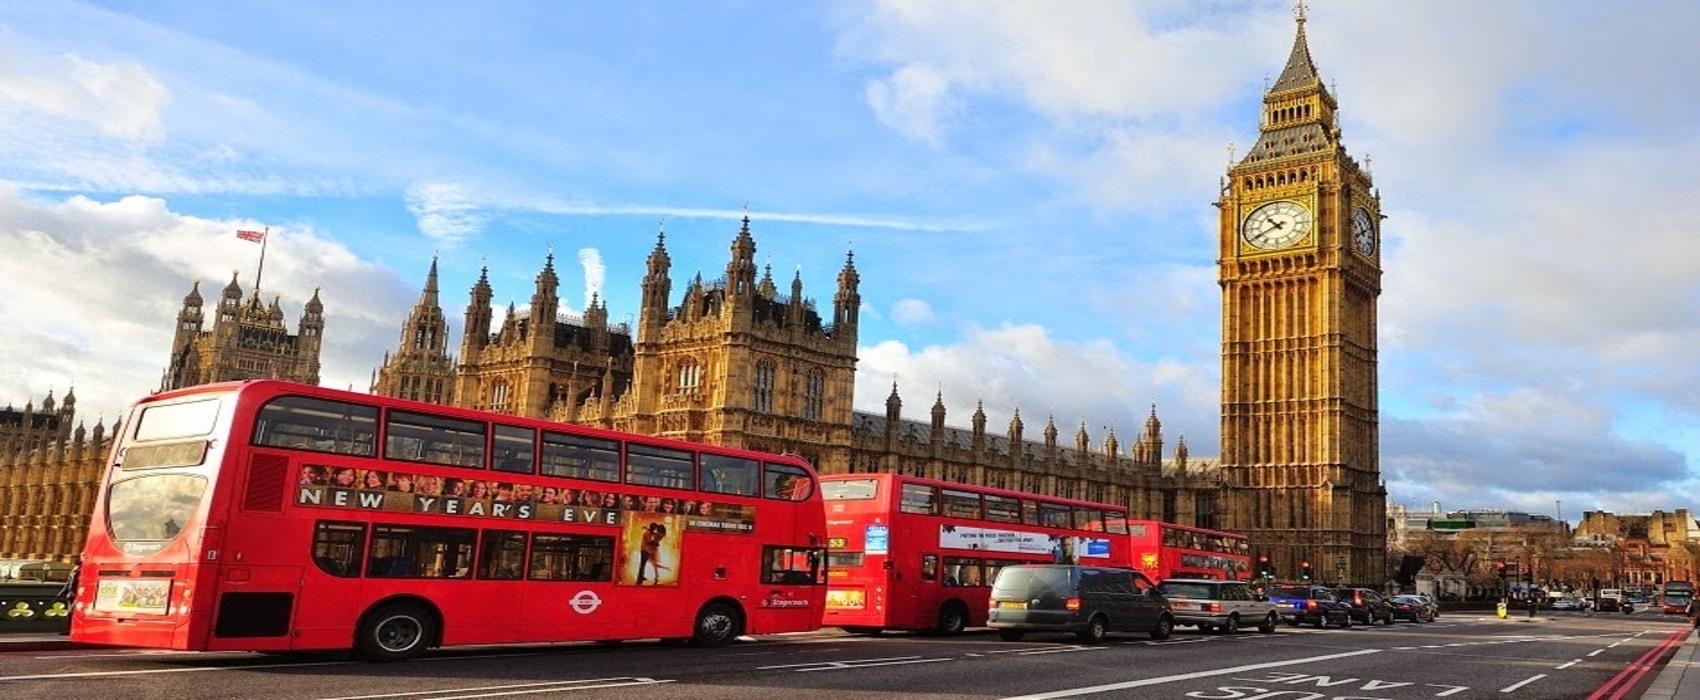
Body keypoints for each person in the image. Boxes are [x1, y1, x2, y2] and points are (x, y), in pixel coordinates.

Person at [56, 559, 80, 635]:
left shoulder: (84, 568)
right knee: (71, 613)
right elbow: (69, 582)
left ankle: (73, 630)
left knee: (73, 613)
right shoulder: (75, 568)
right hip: (71, 594)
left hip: (78, 595)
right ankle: (70, 629)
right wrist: (63, 591)